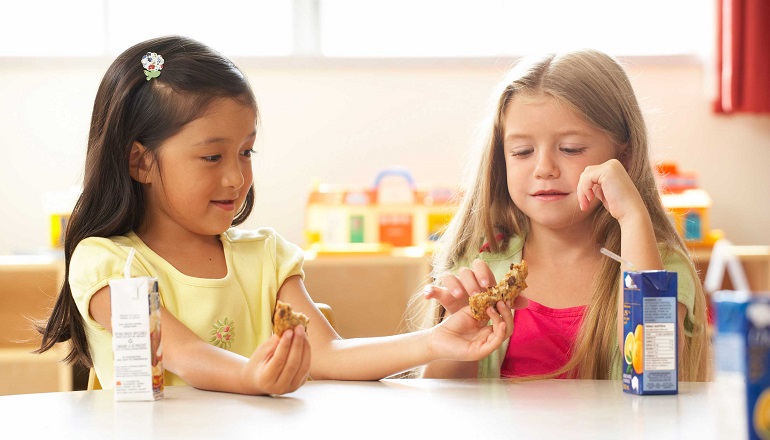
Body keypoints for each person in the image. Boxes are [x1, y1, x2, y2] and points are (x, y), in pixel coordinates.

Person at [36, 35, 516, 396]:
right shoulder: (107, 263)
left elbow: (329, 354)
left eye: (246, 152)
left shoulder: (265, 256)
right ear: (140, 160)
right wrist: (250, 374)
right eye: (212, 157)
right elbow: (184, 355)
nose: (235, 177)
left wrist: (434, 342)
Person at [411, 49, 712, 381]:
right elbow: (444, 401)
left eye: (570, 149)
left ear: (623, 157)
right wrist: (464, 335)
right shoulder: (482, 264)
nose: (544, 169)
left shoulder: (657, 266)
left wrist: (633, 217)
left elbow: (655, 376)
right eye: (522, 152)